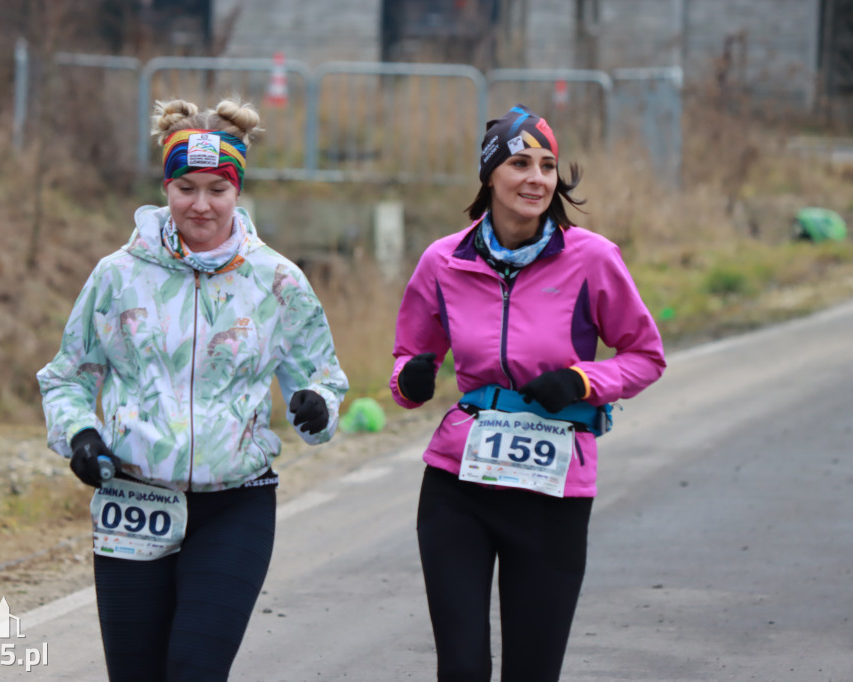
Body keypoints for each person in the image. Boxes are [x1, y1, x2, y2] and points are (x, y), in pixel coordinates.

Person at [37, 97, 348, 682]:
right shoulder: (117, 275)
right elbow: (68, 379)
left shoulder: (278, 279)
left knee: (193, 667)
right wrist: (79, 434)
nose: (200, 204)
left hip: (236, 502)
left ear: (238, 192)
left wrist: (317, 407)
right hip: (133, 500)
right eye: (186, 187)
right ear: (165, 187)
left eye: (217, 189)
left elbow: (324, 381)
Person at [390, 104, 666, 681]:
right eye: (519, 163)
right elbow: (407, 367)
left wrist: (584, 380)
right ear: (490, 175)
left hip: (552, 487)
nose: (536, 178)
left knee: (532, 672)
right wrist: (411, 379)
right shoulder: (443, 261)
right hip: (458, 484)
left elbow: (645, 356)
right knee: (461, 668)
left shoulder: (592, 258)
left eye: (547, 165)